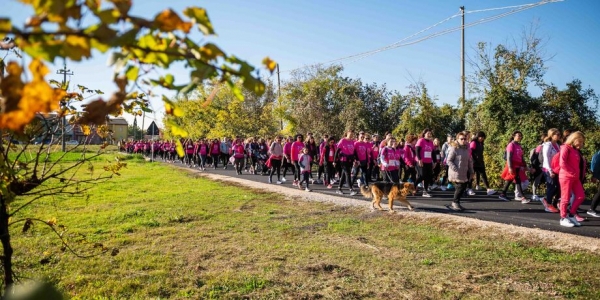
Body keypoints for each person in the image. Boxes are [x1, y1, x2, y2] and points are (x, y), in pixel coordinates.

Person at [558, 131, 587, 227]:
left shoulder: (575, 150)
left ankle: (571, 215)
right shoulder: (565, 148)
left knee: (580, 196)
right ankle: (563, 218)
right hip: (566, 176)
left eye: (582, 142)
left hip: (575, 177)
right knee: (565, 198)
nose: (581, 144)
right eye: (580, 141)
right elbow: (562, 163)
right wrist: (572, 171)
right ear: (574, 139)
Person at [446, 132, 474, 211]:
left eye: (465, 139)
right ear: (457, 139)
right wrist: (455, 168)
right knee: (460, 187)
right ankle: (455, 202)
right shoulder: (454, 148)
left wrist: (472, 171)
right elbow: (449, 160)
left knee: (464, 186)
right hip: (456, 172)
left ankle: (456, 202)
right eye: (461, 139)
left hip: (464, 171)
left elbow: (469, 161)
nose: (463, 140)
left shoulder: (466, 149)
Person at [499, 131, 529, 203]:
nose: (520, 137)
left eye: (520, 136)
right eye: (518, 135)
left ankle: (503, 194)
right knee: (516, 180)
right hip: (512, 165)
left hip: (518, 165)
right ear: (514, 136)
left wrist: (524, 165)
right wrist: (510, 167)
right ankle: (522, 197)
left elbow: (521, 157)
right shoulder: (511, 145)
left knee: (512, 180)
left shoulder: (519, 145)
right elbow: (509, 157)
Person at [540, 128, 562, 213]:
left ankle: (548, 200)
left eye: (559, 134)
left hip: (556, 169)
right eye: (557, 134)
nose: (559, 136)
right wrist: (550, 170)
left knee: (559, 187)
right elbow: (546, 158)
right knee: (552, 187)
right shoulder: (548, 145)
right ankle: (548, 205)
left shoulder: (557, 145)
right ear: (551, 135)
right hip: (548, 169)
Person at [469, 131, 496, 195]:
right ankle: (469, 189)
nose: (481, 138)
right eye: (480, 137)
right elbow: (471, 152)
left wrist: (480, 160)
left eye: (483, 137)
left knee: (484, 175)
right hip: (473, 162)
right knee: (472, 176)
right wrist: (474, 160)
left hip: (480, 162)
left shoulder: (481, 144)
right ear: (477, 136)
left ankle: (488, 189)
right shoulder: (473, 143)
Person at [335, 130, 357, 196]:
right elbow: (337, 150)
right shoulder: (342, 140)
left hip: (350, 160)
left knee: (343, 175)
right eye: (350, 134)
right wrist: (334, 160)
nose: (351, 135)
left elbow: (353, 152)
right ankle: (351, 189)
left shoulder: (352, 141)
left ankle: (339, 189)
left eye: (352, 134)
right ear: (347, 134)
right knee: (348, 174)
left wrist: (355, 159)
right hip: (343, 160)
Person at [415, 129, 435, 197]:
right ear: (424, 134)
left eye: (430, 133)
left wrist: (434, 162)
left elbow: (433, 153)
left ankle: (425, 191)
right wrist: (419, 159)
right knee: (422, 175)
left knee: (428, 176)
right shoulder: (421, 140)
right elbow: (417, 150)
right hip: (421, 161)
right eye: (428, 133)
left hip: (428, 162)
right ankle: (413, 186)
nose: (429, 135)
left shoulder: (431, 142)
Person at [587, 149, 600, 217]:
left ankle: (592, 209)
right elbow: (594, 166)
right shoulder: (598, 155)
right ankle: (591, 209)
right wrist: (594, 176)